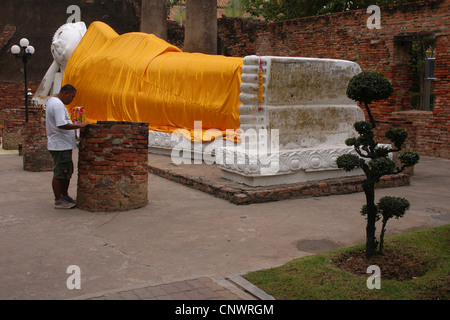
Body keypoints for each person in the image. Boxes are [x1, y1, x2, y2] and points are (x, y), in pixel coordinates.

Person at [46, 84, 89, 209]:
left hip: (61, 144)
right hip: (60, 145)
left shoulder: (53, 102)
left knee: (65, 172)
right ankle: (59, 200)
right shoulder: (58, 105)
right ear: (66, 93)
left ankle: (64, 196)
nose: (72, 100)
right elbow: (61, 124)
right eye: (72, 97)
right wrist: (79, 126)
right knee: (60, 173)